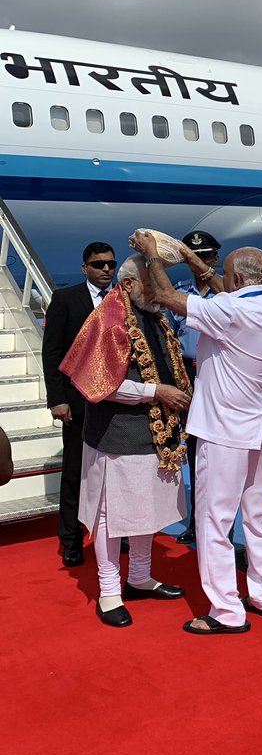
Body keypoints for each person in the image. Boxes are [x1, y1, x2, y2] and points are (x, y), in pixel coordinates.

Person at [134, 233, 262, 635]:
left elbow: (167, 297)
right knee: (258, 513)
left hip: (225, 432)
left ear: (235, 280)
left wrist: (153, 256)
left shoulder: (229, 310)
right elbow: (228, 292)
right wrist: (191, 258)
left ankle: (226, 610)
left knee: (213, 520)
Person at [59, 255, 190, 627]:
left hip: (156, 434)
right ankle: (109, 591)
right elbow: (101, 384)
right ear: (129, 284)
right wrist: (156, 391)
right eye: (153, 284)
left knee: (148, 509)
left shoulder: (153, 316)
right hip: (116, 435)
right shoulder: (108, 320)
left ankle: (140, 577)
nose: (161, 291)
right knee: (110, 515)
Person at [42, 241, 117, 566]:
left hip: (117, 403)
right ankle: (71, 540)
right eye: (99, 264)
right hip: (77, 402)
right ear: (84, 267)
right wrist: (57, 399)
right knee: (75, 473)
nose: (106, 269)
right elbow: (52, 353)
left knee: (115, 473)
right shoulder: (65, 299)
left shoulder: (122, 300)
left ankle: (116, 534)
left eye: (111, 264)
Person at [170, 229, 223, 544]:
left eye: (204, 256)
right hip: (188, 375)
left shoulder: (226, 292)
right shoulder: (180, 293)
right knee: (193, 449)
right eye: (192, 257)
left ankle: (220, 521)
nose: (197, 262)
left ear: (214, 258)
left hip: (217, 376)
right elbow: (170, 336)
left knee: (219, 451)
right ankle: (197, 520)